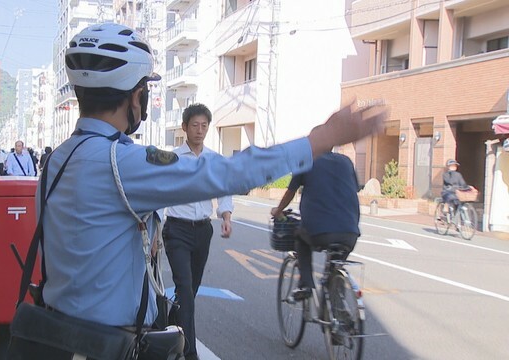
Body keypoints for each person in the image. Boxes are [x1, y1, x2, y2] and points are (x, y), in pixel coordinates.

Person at [37, 22, 386, 348]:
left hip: (56, 335)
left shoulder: (55, 161)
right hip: (108, 343)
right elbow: (230, 173)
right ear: (135, 96)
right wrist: (322, 138)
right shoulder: (123, 162)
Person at [161, 103, 233, 359]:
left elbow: (224, 189)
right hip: (177, 230)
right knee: (185, 289)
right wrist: (155, 229)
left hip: (203, 231)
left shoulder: (214, 160)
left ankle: (170, 319)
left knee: (190, 290)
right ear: (184, 128)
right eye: (195, 125)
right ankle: (190, 353)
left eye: (204, 126)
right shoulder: (174, 159)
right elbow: (160, 192)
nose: (200, 130)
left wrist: (226, 215)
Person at [271, 152, 361, 300]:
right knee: (335, 269)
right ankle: (338, 308)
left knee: (300, 239)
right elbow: (353, 189)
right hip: (350, 232)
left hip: (320, 231)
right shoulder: (346, 161)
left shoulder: (305, 160)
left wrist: (278, 211)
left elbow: (290, 192)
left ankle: (306, 284)